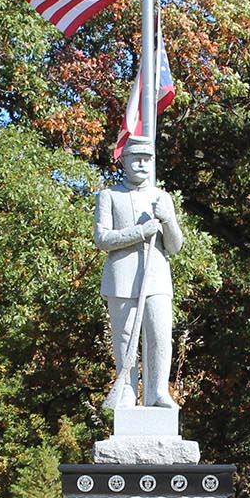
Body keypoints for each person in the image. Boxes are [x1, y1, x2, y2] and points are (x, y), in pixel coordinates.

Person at [94, 136, 183, 408]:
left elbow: (175, 246)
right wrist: (139, 233)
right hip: (121, 278)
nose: (142, 163)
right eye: (136, 158)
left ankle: (158, 392)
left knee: (159, 335)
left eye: (147, 158)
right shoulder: (109, 195)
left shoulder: (161, 197)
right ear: (125, 161)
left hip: (156, 277)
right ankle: (127, 392)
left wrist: (167, 219)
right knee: (125, 340)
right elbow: (102, 239)